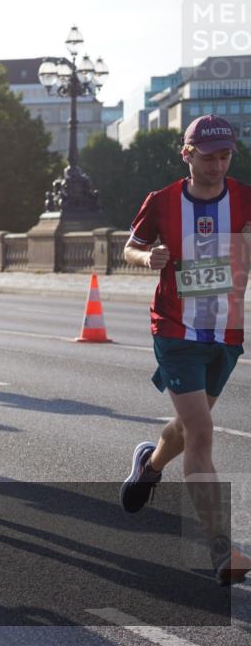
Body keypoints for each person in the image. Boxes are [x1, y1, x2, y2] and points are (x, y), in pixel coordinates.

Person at [119, 115, 251, 585]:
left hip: (226, 333)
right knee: (203, 432)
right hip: (175, 330)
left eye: (224, 156)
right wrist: (147, 257)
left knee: (189, 426)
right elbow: (129, 249)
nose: (216, 165)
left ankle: (149, 466)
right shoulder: (162, 202)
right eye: (207, 156)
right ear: (187, 153)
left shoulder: (243, 197)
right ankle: (220, 550)